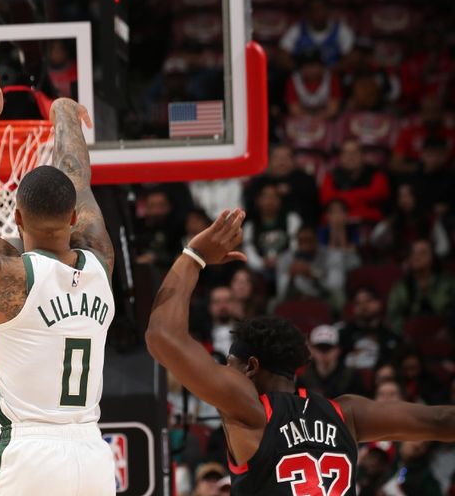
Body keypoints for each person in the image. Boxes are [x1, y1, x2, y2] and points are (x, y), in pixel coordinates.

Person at [146, 207, 455, 495]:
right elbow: (441, 421)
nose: (225, 375)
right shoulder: (346, 414)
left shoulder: (251, 410)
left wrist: (194, 255)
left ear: (250, 368)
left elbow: (162, 336)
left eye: (230, 365)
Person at [0, 54, 115, 495]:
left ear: (15, 218)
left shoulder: (7, 274)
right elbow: (78, 178)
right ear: (75, 217)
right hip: (94, 456)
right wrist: (63, 113)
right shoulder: (100, 259)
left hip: (28, 454)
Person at [244, 144, 320, 225]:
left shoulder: (305, 180)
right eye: (277, 157)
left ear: (294, 161)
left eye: (286, 157)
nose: (282, 161)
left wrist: (291, 191)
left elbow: (313, 207)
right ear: (268, 160)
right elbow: (250, 209)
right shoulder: (259, 183)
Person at [320, 139, 390, 224]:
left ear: (362, 155)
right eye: (346, 153)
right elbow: (327, 199)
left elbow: (380, 194)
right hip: (337, 223)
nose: (350, 157)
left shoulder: (376, 174)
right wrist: (363, 198)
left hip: (369, 223)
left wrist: (342, 197)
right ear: (340, 157)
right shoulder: (331, 176)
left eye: (355, 152)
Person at [278, 0, 355, 68]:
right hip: (302, 76)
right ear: (307, 13)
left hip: (333, 75)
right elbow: (283, 55)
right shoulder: (297, 30)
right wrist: (299, 71)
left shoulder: (341, 30)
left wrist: (330, 72)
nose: (317, 13)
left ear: (328, 11)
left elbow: (351, 57)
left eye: (321, 9)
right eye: (313, 9)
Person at [339, 287, 402, 373]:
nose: (363, 306)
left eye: (368, 301)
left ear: (379, 304)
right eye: (358, 303)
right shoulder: (343, 335)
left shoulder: (390, 337)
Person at [298, 325, 367, 399]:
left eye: (328, 348)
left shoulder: (351, 376)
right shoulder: (303, 377)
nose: (323, 353)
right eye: (319, 348)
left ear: (338, 350)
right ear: (311, 350)